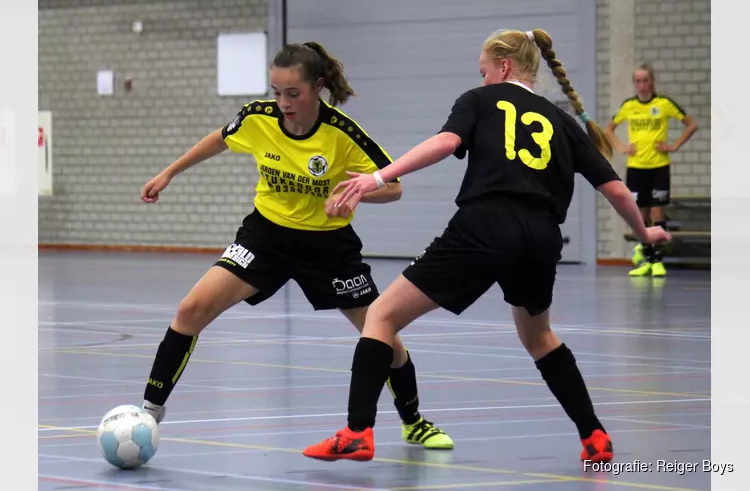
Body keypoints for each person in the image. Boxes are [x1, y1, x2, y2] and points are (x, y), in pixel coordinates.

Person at [302, 29, 670, 465]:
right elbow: (617, 190)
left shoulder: (479, 101)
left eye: (483, 72)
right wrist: (646, 236)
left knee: (380, 315)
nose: (480, 81)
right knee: (539, 337)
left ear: (504, 66)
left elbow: (445, 143)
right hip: (542, 236)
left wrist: (377, 177)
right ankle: (594, 436)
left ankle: (357, 432)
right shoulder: (562, 121)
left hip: (486, 223)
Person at [138, 41, 454, 451]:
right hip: (266, 236)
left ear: (317, 87)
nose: (283, 102)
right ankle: (147, 413)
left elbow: (393, 186)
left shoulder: (342, 134)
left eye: (293, 93)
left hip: (328, 246)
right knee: (191, 309)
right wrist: (168, 174)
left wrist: (357, 194)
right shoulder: (258, 118)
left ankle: (414, 421)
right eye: (276, 92)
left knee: (384, 334)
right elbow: (219, 138)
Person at [605, 62, 697, 277]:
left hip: (658, 166)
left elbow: (691, 125)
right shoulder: (629, 106)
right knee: (640, 213)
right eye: (638, 81)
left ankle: (657, 261)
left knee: (657, 211)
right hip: (636, 168)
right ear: (634, 84)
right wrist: (622, 147)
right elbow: (609, 130)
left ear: (652, 82)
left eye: (645, 80)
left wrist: (673, 145)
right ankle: (646, 259)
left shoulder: (663, 103)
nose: (642, 85)